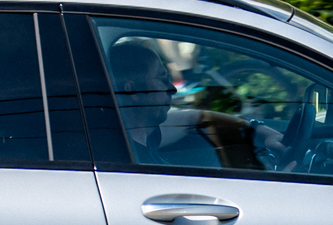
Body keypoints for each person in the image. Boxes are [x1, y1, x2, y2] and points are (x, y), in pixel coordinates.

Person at [106, 38, 283, 170]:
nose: (172, 89)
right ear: (132, 90)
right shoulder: (127, 160)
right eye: (162, 79)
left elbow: (196, 117)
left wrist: (258, 129)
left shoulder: (143, 133)